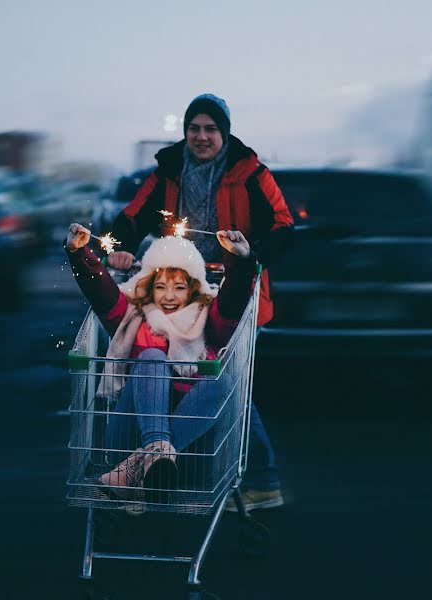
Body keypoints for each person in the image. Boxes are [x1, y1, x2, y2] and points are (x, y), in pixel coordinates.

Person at [105, 93, 294, 511]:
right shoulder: (170, 170)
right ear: (185, 132)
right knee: (178, 373)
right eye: (195, 128)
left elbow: (284, 226)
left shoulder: (250, 173)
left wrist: (250, 255)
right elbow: (134, 216)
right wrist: (118, 247)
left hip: (232, 291)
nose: (202, 137)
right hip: (179, 289)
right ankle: (178, 465)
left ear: (225, 134)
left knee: (226, 380)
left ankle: (260, 478)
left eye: (211, 129)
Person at [65, 224, 257, 504]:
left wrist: (240, 261)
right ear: (148, 288)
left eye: (179, 287)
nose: (169, 297)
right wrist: (78, 252)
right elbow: (101, 292)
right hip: (127, 438)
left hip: (190, 454)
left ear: (193, 289)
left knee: (222, 382)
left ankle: (143, 467)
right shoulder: (133, 318)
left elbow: (232, 301)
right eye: (161, 287)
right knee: (152, 358)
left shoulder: (208, 323)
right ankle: (155, 453)